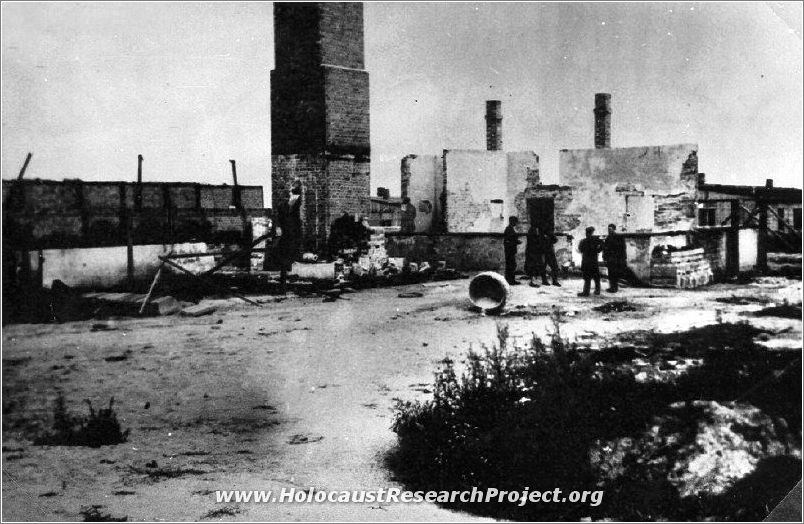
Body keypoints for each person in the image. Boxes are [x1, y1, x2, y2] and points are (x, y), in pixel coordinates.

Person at [274, 180, 303, 293]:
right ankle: (283, 286)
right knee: (284, 262)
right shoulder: (286, 206)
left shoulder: (289, 205)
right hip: (288, 236)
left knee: (285, 262)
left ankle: (283, 286)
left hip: (289, 236)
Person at [578, 226, 602, 296]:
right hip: (593, 261)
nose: (587, 234)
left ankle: (586, 292)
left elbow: (580, 249)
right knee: (596, 277)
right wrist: (598, 250)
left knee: (587, 278)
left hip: (587, 261)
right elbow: (602, 246)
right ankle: (597, 291)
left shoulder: (583, 241)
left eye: (587, 233)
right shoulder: (596, 240)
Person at [603, 223, 627, 293]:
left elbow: (623, 248)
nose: (609, 231)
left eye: (610, 229)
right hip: (610, 259)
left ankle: (614, 288)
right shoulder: (608, 238)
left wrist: (623, 258)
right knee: (610, 274)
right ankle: (611, 287)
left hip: (616, 259)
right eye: (608, 229)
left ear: (614, 229)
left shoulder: (619, 237)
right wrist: (604, 257)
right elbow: (605, 249)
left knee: (615, 274)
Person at [503, 216, 521, 285]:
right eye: (515, 222)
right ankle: (510, 280)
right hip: (509, 251)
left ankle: (510, 279)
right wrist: (516, 242)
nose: (516, 223)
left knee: (511, 265)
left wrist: (516, 241)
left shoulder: (510, 229)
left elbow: (510, 239)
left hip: (510, 251)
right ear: (512, 222)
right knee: (511, 265)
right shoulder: (509, 229)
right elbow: (508, 241)